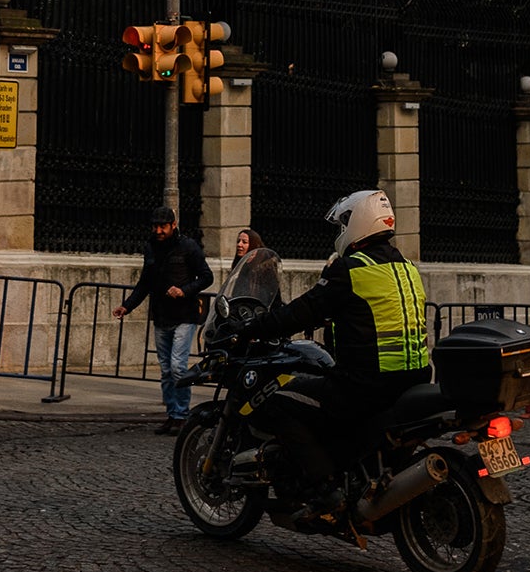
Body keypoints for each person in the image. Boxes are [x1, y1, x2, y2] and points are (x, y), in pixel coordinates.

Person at [240, 189, 429, 518]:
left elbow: (303, 311)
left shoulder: (351, 269)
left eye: (344, 222)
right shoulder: (406, 267)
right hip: (413, 380)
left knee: (276, 400)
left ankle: (324, 489)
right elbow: (369, 313)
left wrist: (254, 328)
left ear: (358, 223)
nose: (340, 230)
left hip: (367, 386)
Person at [113, 205, 213, 434]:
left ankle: (182, 414)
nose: (158, 230)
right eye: (155, 226)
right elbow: (144, 283)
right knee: (166, 370)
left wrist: (184, 290)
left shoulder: (188, 246)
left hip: (184, 316)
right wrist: (126, 306)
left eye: (163, 226)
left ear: (173, 225)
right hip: (160, 315)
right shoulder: (150, 248)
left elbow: (207, 276)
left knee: (178, 366)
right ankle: (172, 414)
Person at [223, 227, 283, 306]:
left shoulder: (264, 267)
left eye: (244, 242)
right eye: (238, 241)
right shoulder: (241, 263)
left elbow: (267, 295)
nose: (239, 245)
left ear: (253, 244)